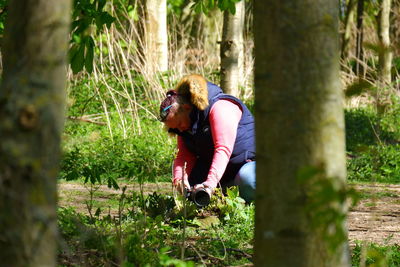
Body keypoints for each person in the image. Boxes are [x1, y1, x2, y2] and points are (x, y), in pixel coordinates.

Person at [159, 74, 256, 203]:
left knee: (247, 179)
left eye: (180, 124)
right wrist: (180, 180)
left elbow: (222, 150)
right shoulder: (185, 126)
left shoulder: (220, 108)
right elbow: (184, 156)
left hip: (248, 164)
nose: (180, 130)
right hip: (223, 170)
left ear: (187, 108)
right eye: (175, 129)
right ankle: (226, 196)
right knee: (192, 188)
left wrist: (209, 184)